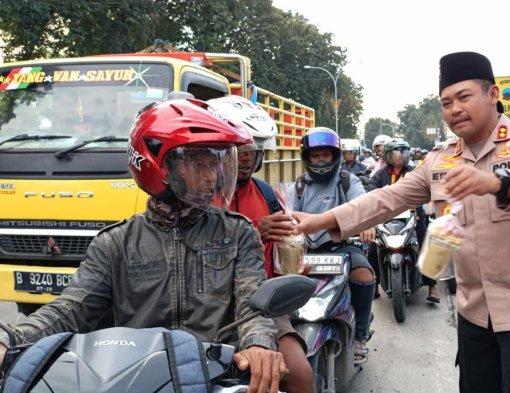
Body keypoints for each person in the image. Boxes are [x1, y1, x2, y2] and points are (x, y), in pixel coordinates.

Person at [291, 51, 510, 393]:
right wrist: (321, 220)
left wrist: (501, 183)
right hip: (475, 312)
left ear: (492, 95)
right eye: (446, 102)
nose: (454, 109)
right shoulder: (441, 158)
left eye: (464, 97)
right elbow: (387, 198)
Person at [0, 98, 288, 393]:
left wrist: (258, 344)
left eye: (214, 164)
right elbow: (70, 308)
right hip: (138, 381)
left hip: (215, 377)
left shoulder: (238, 232)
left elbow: (252, 303)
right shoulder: (115, 243)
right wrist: (9, 338)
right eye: (199, 164)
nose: (212, 177)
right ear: (159, 168)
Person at [208, 96, 314, 393]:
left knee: (300, 374)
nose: (244, 156)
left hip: (261, 306)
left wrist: (292, 271)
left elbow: (277, 259)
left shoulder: (268, 195)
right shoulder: (199, 197)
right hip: (205, 303)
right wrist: (256, 232)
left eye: (252, 148)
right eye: (238, 147)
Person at [294, 127, 377, 365]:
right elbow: (287, 212)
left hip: (343, 247)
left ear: (335, 156)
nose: (321, 160)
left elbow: (363, 205)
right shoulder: (299, 186)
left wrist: (367, 225)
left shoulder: (346, 180)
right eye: (315, 155)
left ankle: (360, 334)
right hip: (306, 251)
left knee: (364, 276)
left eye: (325, 155)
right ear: (307, 157)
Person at [366, 139, 438, 303]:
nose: (399, 157)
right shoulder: (380, 173)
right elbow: (370, 190)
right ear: (388, 156)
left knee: (426, 243)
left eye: (402, 153)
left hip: (414, 214)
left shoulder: (415, 171)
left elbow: (429, 186)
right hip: (385, 215)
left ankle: (432, 285)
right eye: (395, 154)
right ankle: (375, 284)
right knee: (372, 248)